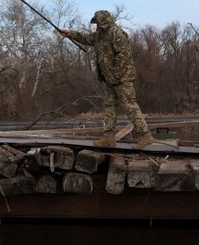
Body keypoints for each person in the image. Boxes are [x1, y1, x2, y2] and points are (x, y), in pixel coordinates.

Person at [57, 10, 156, 149]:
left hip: (122, 78)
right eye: (96, 23)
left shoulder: (116, 33)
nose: (97, 25)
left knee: (129, 106)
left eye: (98, 22)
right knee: (109, 107)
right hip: (109, 79)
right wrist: (70, 33)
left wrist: (116, 76)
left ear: (104, 21)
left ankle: (146, 136)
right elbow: (87, 39)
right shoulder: (100, 34)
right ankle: (109, 137)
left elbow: (123, 57)